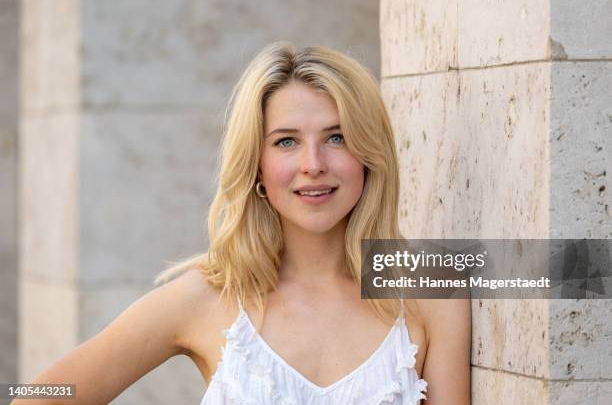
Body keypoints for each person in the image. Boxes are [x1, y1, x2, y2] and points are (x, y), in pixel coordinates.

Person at [12, 42, 470, 405]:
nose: (313, 164)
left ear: (369, 155)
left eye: (337, 137)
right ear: (256, 167)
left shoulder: (433, 292)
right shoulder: (207, 296)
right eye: (286, 141)